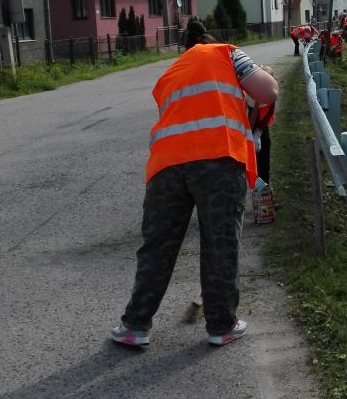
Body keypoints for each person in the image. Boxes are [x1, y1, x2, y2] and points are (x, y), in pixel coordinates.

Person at [111, 19, 279, 349]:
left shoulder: (170, 72)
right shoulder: (227, 53)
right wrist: (265, 73)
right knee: (220, 244)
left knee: (157, 247)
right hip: (219, 159)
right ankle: (221, 326)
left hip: (166, 165)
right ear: (211, 42)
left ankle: (134, 326)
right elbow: (267, 91)